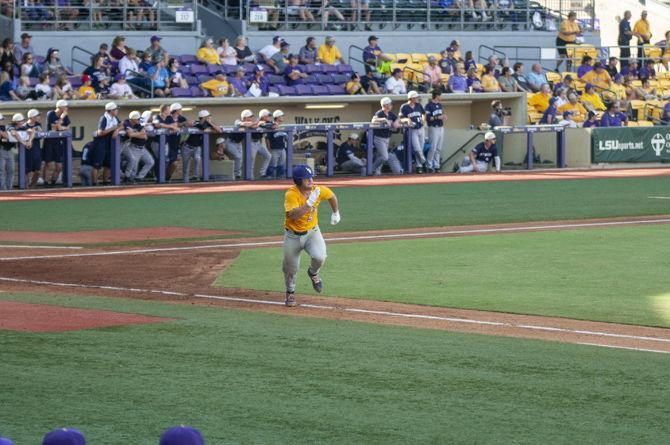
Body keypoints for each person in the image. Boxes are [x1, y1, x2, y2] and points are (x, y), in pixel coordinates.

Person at [282, 164, 340, 307]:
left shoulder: (318, 190)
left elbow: (332, 196)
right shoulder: (291, 194)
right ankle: (290, 292)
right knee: (291, 268)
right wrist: (309, 203)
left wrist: (335, 212)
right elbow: (293, 215)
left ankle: (313, 273)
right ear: (298, 181)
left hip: (312, 232)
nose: (311, 180)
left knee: (320, 256)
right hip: (292, 236)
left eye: (311, 177)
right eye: (306, 178)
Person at [182, 109, 220, 182]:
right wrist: (210, 127)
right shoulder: (198, 123)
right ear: (204, 118)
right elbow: (204, 128)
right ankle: (185, 182)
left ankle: (195, 176)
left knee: (197, 158)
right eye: (208, 117)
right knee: (185, 166)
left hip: (197, 147)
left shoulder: (208, 124)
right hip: (187, 147)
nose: (210, 118)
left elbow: (219, 130)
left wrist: (210, 123)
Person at [91, 102, 122, 185]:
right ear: (111, 110)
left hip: (109, 143)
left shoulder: (115, 118)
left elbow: (121, 125)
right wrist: (113, 128)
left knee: (108, 164)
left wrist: (117, 130)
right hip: (101, 143)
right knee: (97, 164)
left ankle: (105, 182)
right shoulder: (104, 118)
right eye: (115, 109)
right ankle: (94, 183)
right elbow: (100, 132)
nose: (117, 111)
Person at [120, 110, 154, 183]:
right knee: (134, 166)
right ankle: (128, 179)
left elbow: (145, 137)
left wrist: (135, 133)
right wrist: (139, 134)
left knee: (150, 162)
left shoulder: (139, 123)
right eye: (137, 119)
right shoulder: (127, 122)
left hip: (142, 148)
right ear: (133, 119)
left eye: (139, 118)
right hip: (133, 146)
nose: (139, 120)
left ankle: (139, 177)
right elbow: (130, 135)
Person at [43, 100, 71, 187]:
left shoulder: (66, 116)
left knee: (59, 166)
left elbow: (68, 128)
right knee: (48, 164)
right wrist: (61, 119)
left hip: (58, 142)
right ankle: (46, 182)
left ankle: (52, 183)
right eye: (65, 107)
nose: (66, 109)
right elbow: (54, 127)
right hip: (49, 142)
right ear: (60, 107)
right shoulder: (51, 114)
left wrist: (61, 127)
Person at [399, 91, 428, 173]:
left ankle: (419, 166)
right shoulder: (404, 107)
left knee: (420, 148)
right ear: (411, 98)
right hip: (412, 129)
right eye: (416, 97)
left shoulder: (418, 105)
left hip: (420, 128)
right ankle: (424, 161)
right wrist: (407, 119)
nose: (417, 98)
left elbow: (423, 113)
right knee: (417, 148)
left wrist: (423, 119)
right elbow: (401, 118)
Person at [371, 97, 400, 175]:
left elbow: (397, 119)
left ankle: (377, 172)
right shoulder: (380, 113)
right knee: (385, 157)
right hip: (379, 138)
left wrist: (396, 121)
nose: (391, 105)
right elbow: (373, 120)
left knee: (381, 156)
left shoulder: (391, 114)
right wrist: (384, 119)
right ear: (385, 105)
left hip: (387, 138)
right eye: (390, 104)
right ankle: (372, 168)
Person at [164, 102, 191, 180]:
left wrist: (184, 123)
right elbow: (172, 125)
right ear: (176, 110)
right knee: (166, 162)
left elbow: (189, 123)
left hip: (176, 144)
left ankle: (167, 178)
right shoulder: (168, 118)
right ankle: (162, 177)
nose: (181, 110)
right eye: (180, 109)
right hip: (167, 144)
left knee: (175, 163)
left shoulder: (181, 117)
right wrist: (181, 124)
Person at [424, 90, 447, 172]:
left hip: (441, 127)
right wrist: (438, 117)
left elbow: (441, 115)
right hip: (433, 127)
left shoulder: (440, 105)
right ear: (437, 96)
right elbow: (428, 118)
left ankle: (437, 166)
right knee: (433, 147)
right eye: (440, 95)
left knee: (438, 148)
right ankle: (429, 165)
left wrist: (443, 116)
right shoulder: (428, 105)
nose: (441, 97)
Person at [22, 109, 42, 188]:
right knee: (26, 170)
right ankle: (26, 187)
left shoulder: (38, 124)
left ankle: (33, 186)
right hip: (27, 150)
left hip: (36, 150)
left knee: (37, 170)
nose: (39, 117)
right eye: (37, 115)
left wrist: (33, 131)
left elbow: (40, 133)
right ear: (32, 117)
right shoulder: (24, 126)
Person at [266, 109, 288, 178]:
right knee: (273, 164)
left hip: (282, 148)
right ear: (277, 117)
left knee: (281, 164)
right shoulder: (271, 126)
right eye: (281, 116)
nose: (282, 117)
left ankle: (280, 177)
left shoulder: (282, 126)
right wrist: (269, 148)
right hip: (274, 149)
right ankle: (270, 177)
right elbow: (267, 138)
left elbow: (286, 138)